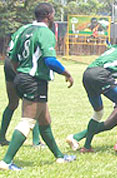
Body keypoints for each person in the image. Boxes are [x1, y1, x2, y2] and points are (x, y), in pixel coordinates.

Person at [0, 3, 76, 171]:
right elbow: (50, 60)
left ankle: (59, 156)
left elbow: (11, 58)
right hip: (34, 81)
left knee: (45, 120)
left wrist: (21, 73)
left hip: (21, 77)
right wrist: (67, 73)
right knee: (27, 121)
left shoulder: (24, 30)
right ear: (49, 15)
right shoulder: (45, 32)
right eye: (53, 14)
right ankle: (6, 162)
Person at [0, 28, 43, 147]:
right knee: (34, 102)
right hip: (20, 63)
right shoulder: (36, 31)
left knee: (12, 103)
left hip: (9, 62)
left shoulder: (21, 30)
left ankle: (1, 137)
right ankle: (36, 141)